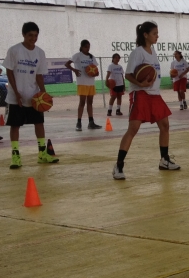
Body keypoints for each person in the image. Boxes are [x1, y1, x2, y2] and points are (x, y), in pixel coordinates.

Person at [113, 21, 180, 180]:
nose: (157, 36)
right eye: (155, 33)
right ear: (145, 35)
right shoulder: (138, 52)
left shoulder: (152, 51)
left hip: (154, 94)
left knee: (165, 125)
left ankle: (164, 160)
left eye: (157, 33)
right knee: (133, 129)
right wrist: (141, 83)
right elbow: (128, 75)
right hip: (141, 94)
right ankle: (119, 165)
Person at [4, 22, 59, 169]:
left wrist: (43, 93)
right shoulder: (14, 50)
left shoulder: (40, 53)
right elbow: (9, 72)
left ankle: (42, 153)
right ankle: (15, 156)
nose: (33, 38)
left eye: (35, 35)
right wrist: (16, 92)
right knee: (15, 126)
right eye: (30, 35)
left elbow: (39, 75)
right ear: (23, 35)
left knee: (39, 124)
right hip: (17, 96)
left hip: (34, 97)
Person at [66, 40, 102, 131]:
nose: (88, 48)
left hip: (91, 83)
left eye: (89, 47)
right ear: (81, 47)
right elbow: (67, 64)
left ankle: (91, 122)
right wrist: (74, 70)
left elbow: (95, 70)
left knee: (90, 102)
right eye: (86, 47)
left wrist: (95, 74)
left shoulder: (91, 57)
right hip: (82, 82)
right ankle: (79, 123)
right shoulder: (77, 55)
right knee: (82, 102)